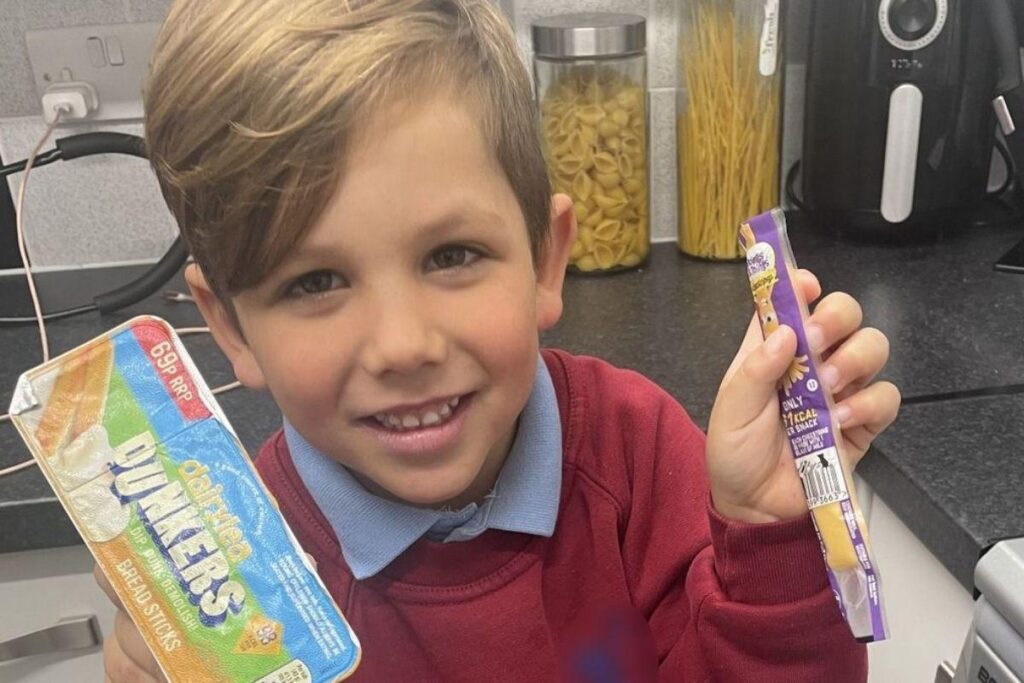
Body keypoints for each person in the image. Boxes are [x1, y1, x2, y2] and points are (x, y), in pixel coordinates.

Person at [96, 0, 901, 680]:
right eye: (314, 282)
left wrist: (772, 542)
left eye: (451, 256)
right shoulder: (242, 574)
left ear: (547, 260)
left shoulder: (637, 458)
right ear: (231, 327)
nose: (402, 345)